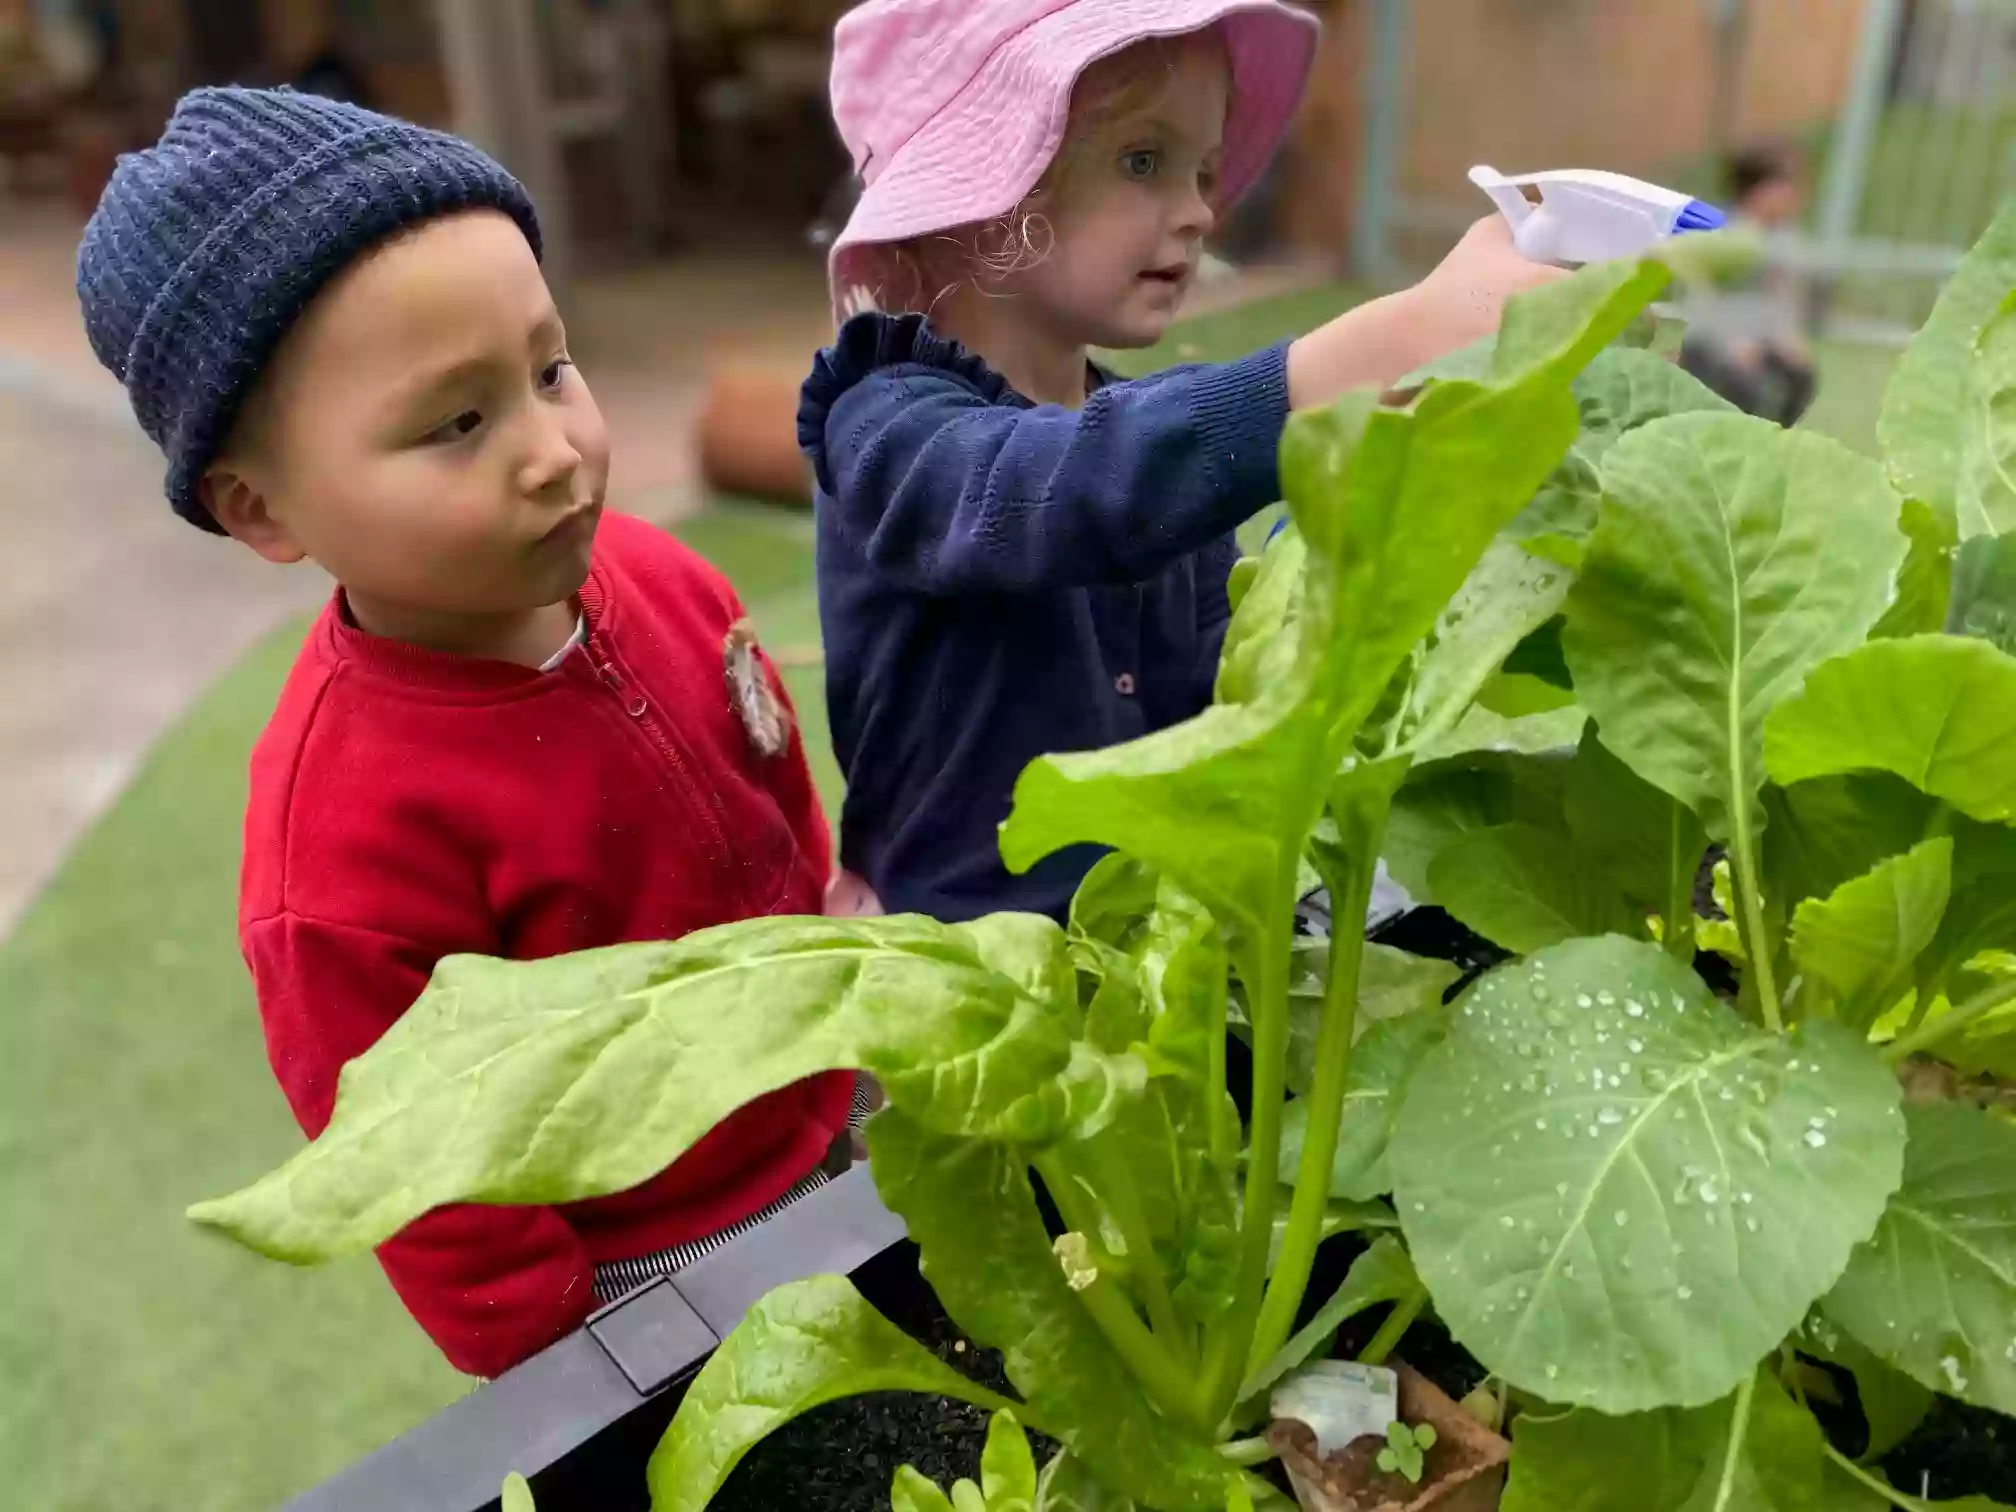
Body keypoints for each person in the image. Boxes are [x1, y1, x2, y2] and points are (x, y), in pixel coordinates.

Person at [76, 87, 858, 1378]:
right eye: (457, 422)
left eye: (550, 369)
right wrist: (561, 1354)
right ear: (261, 508)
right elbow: (413, 1155)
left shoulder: (663, 576)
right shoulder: (338, 843)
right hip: (653, 1257)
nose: (554, 450)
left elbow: (774, 784)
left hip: (830, 1095)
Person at [801, 0, 1563, 925]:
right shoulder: (886, 421)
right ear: (990, 189)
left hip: (1165, 952)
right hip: (971, 991)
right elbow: (1058, 491)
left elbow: (1225, 690)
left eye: (1203, 171)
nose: (1200, 210)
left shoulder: (1145, 436)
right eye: (1142, 161)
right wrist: (1337, 369)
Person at [1679, 140, 1819, 426]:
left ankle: (1775, 439)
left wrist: (1788, 338)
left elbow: (1783, 295)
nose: (1794, 195)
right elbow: (1699, 297)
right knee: (1745, 388)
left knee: (1801, 377)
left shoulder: (1785, 237)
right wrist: (1730, 343)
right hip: (1709, 339)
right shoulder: (1721, 233)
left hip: (1760, 338)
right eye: (1784, 186)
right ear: (1757, 190)